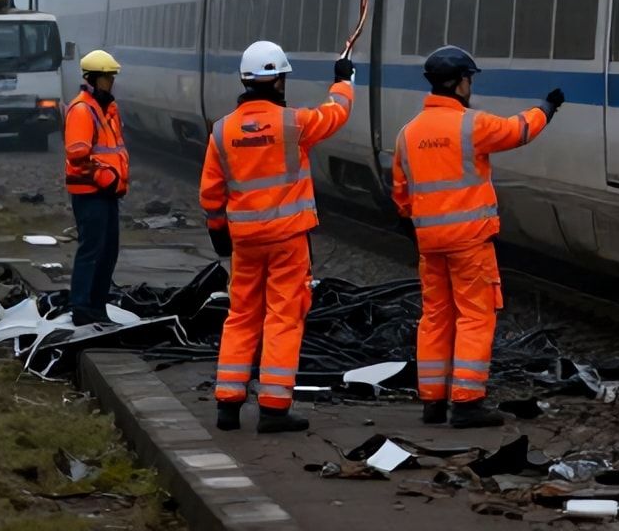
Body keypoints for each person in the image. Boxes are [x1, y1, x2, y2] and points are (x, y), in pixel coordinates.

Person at [392, 46, 563, 429]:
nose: (471, 86)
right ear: (459, 82)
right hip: (470, 242)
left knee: (435, 318)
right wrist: (547, 108)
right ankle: (467, 403)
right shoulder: (472, 125)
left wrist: (414, 226)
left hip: (430, 244)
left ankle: (433, 402)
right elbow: (519, 130)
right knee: (474, 317)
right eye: (470, 78)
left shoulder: (408, 133)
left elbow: (400, 193)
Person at [201, 41, 354, 433]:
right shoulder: (294, 123)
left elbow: (211, 195)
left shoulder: (222, 131)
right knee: (284, 316)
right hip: (287, 239)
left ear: (245, 80)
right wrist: (343, 82)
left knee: (241, 315)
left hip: (245, 241)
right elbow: (335, 115)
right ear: (280, 81)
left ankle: (228, 403)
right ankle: (272, 407)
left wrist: (220, 235)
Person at [64, 49, 128, 325]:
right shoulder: (82, 110)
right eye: (107, 78)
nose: (111, 83)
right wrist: (107, 178)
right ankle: (82, 307)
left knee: (107, 250)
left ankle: (97, 306)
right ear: (92, 79)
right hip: (91, 193)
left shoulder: (107, 110)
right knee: (92, 250)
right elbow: (78, 156)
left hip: (106, 192)